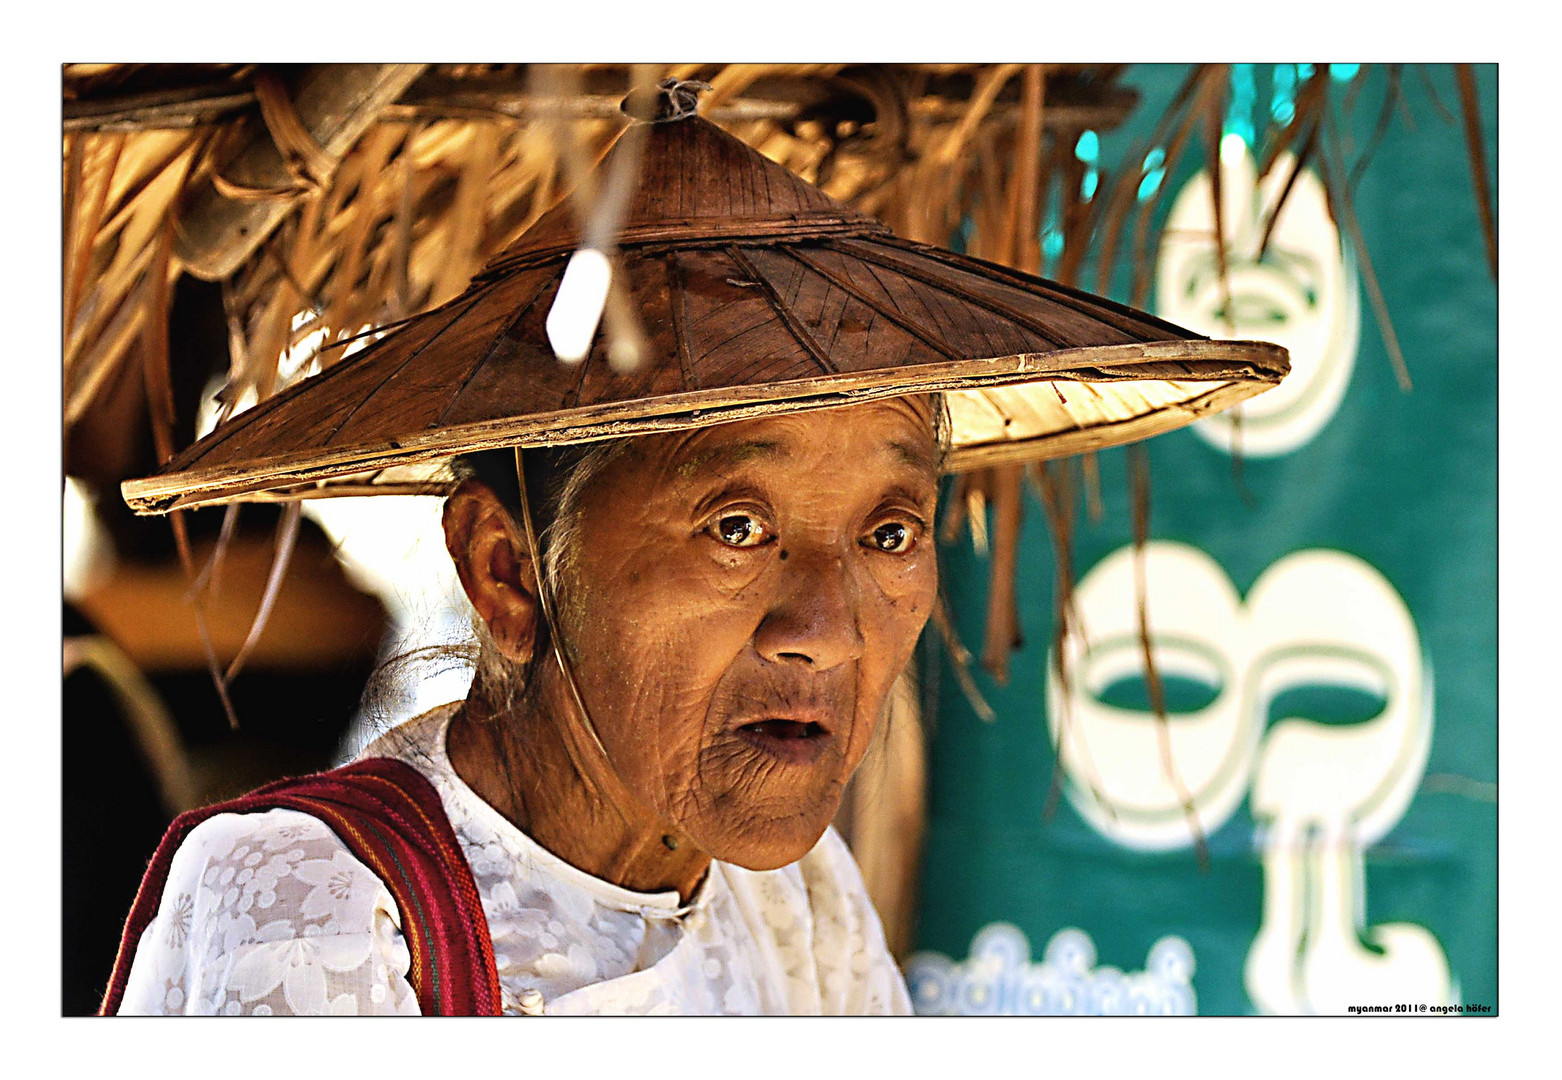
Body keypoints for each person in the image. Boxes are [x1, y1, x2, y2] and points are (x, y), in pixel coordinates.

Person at [103, 78, 1283, 1016]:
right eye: (736, 528)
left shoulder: (791, 897)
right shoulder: (316, 904)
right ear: (510, 571)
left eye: (888, 532)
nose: (824, 629)